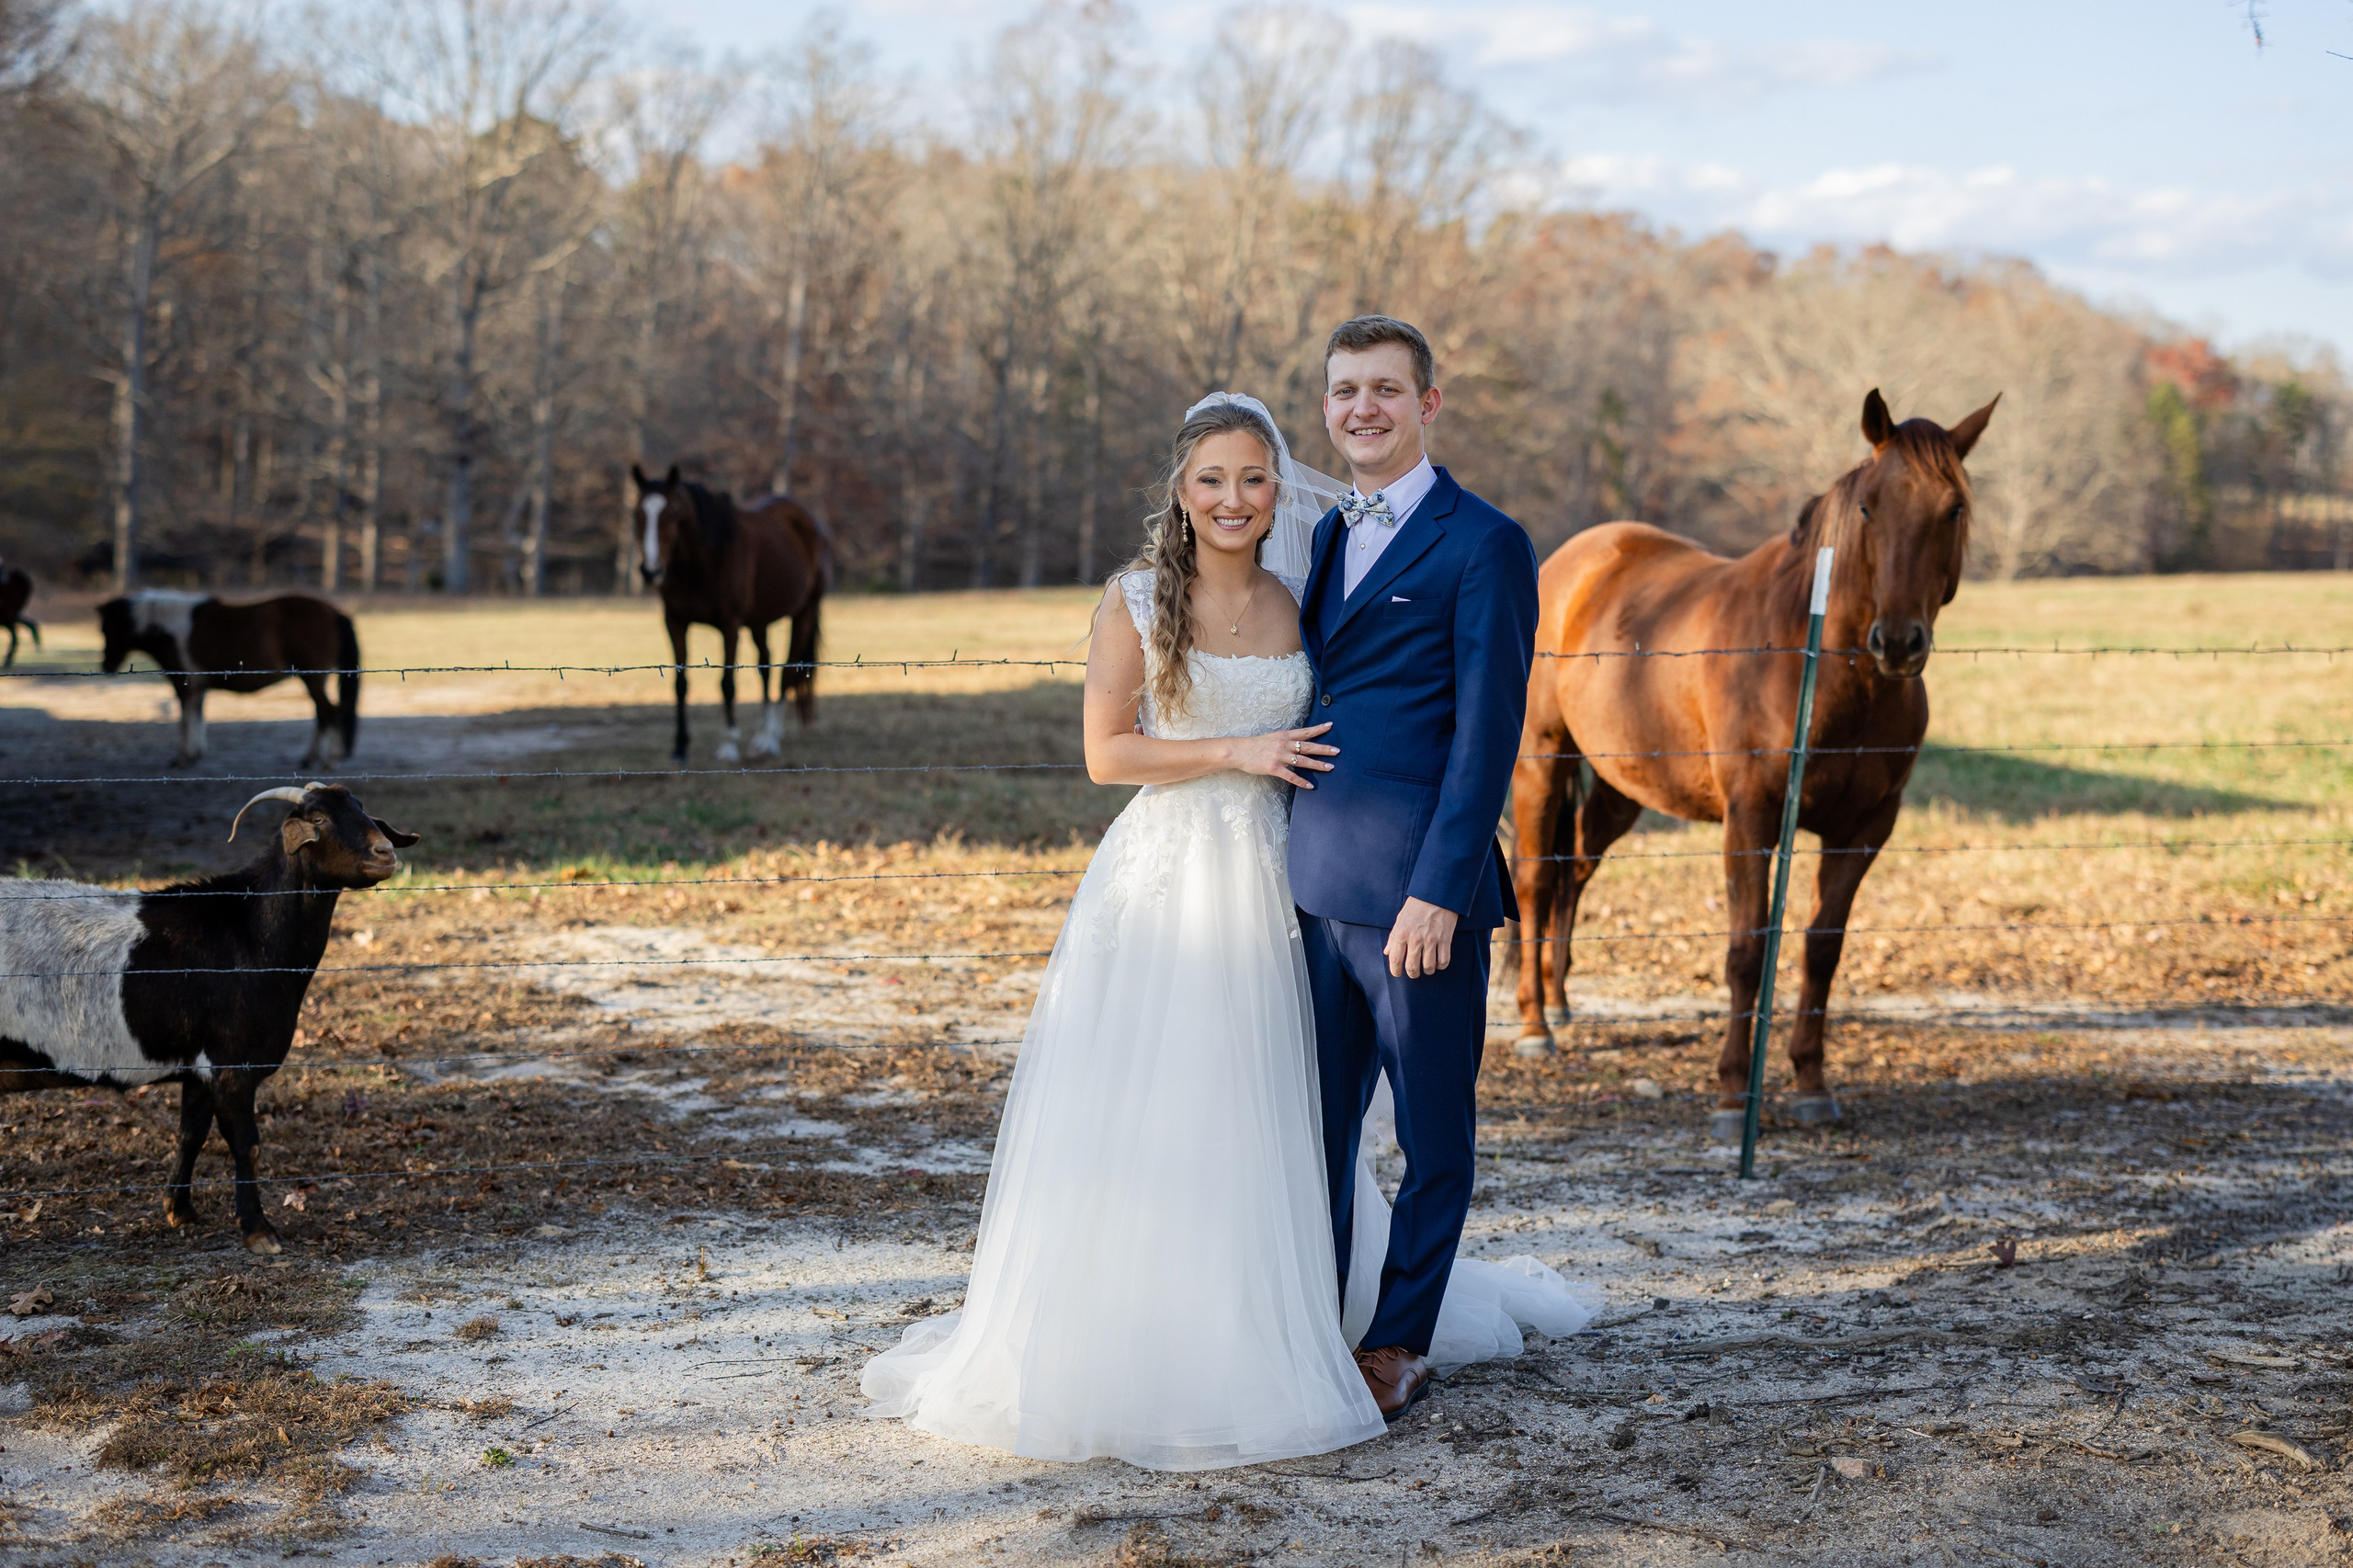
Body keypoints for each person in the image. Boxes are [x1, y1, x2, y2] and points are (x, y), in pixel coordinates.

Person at [860, 379, 1590, 1472]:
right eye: (1214, 479)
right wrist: (1235, 751)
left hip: (1282, 878)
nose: (1237, 497)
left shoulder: (1309, 590)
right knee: (1158, 1100)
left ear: (1276, 485)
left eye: (1254, 477)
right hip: (1167, 881)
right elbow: (1108, 753)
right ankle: (1146, 1326)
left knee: (1277, 1110)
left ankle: (1299, 1312)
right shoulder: (1135, 596)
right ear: (1182, 488)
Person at [1291, 315, 1552, 1418]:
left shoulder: (1482, 540)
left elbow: (1488, 735)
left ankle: (1397, 1341)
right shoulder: (1320, 538)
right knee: (1315, 1126)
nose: (1364, 408)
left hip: (1413, 900)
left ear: (1427, 404)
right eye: (1346, 389)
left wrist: (1439, 888)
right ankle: (1312, 1318)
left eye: (1386, 390)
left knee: (1431, 1129)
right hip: (1309, 887)